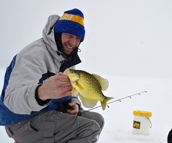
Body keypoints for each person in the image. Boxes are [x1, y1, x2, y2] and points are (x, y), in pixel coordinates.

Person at [0, 8, 104, 143]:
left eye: (78, 38)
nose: (73, 43)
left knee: (97, 120)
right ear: (59, 32)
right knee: (90, 128)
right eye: (69, 35)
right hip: (22, 120)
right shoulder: (34, 54)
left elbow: (73, 91)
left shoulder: (67, 58)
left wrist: (74, 103)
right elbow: (11, 99)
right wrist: (41, 92)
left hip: (50, 113)